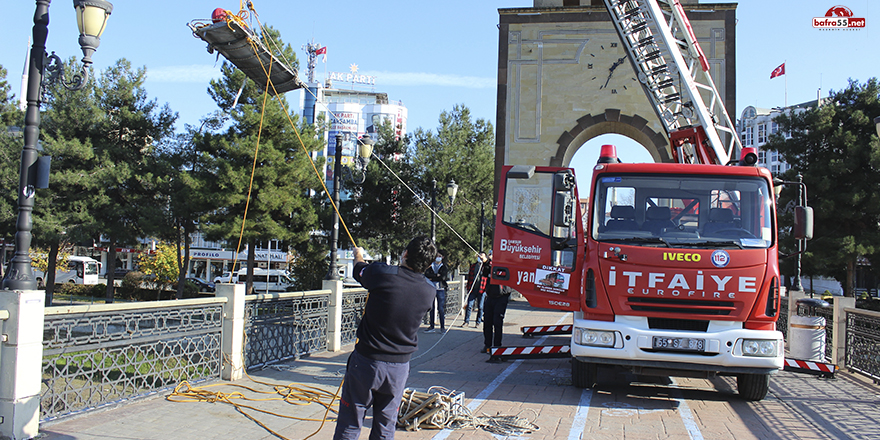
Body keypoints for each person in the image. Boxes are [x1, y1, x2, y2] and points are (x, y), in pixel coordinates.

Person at [333, 236, 438, 440]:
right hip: (398, 369)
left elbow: (359, 270)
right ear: (427, 264)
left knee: (350, 423)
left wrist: (358, 254)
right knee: (385, 428)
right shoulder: (429, 291)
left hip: (366, 362)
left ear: (406, 253)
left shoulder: (383, 273)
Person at [483, 255, 514, 361]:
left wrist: (491, 263)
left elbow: (504, 274)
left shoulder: (506, 265)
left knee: (497, 322)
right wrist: (486, 263)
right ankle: (487, 345)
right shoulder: (490, 266)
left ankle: (497, 346)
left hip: (502, 297)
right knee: (487, 321)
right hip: (490, 296)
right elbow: (485, 273)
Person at [423, 253, 449, 333]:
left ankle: (442, 327)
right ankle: (431, 326)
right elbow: (426, 274)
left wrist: (433, 277)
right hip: (431, 288)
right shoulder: (431, 265)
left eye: (440, 256)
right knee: (431, 307)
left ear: (442, 257)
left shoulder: (444, 266)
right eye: (437, 256)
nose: (438, 257)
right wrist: (436, 275)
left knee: (441, 308)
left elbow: (443, 277)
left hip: (440, 289)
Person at [463, 252, 489, 327]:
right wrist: (468, 287)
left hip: (482, 289)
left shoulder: (485, 267)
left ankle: (478, 322)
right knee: (469, 305)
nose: (480, 258)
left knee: (480, 307)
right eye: (479, 256)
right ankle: (466, 321)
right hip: (473, 289)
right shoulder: (473, 266)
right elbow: (470, 277)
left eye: (482, 257)